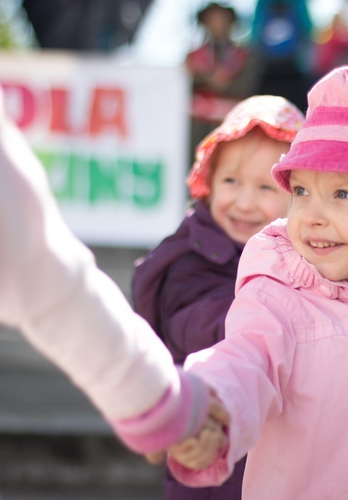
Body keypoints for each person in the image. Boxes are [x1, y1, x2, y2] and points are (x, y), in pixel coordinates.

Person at [158, 65, 348, 498]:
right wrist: (211, 410)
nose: (310, 215)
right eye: (301, 191)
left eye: (342, 194)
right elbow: (244, 362)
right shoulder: (279, 296)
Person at [0, 78, 229, 496]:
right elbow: (37, 271)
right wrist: (161, 402)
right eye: (232, 182)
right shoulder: (180, 259)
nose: (246, 202)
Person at [132, 94, 304, 499]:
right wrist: (285, 309)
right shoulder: (190, 255)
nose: (243, 202)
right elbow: (194, 325)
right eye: (231, 182)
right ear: (207, 182)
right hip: (206, 431)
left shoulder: (301, 257)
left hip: (279, 445)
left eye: (265, 187)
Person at [187, 2, 262, 154]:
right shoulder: (192, 57)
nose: (217, 24)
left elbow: (247, 86)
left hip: (233, 125)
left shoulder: (246, 56)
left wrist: (209, 80)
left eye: (221, 18)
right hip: (198, 129)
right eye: (211, 19)